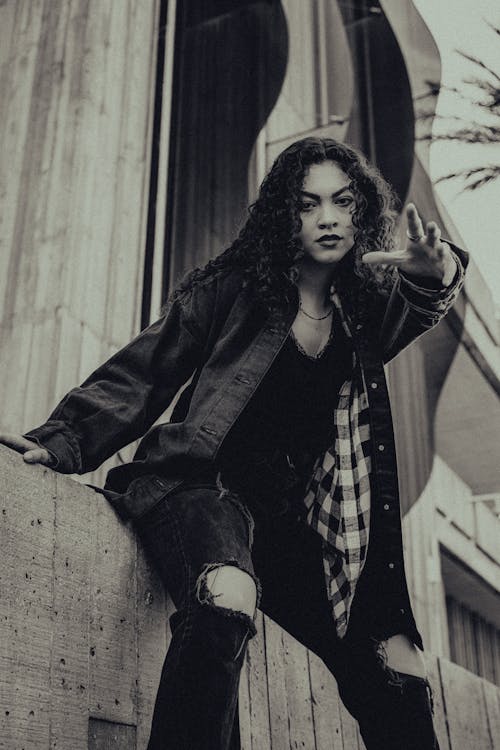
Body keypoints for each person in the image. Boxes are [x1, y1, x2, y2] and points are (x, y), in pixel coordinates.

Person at [1, 137, 467, 750]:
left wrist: (439, 273)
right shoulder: (237, 285)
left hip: (287, 521)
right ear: (285, 215)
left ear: (361, 212)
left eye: (342, 202)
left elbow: (421, 298)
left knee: (396, 659)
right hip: (198, 486)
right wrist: (62, 440)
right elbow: (146, 369)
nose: (327, 218)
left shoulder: (360, 309)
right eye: (308, 205)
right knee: (227, 593)